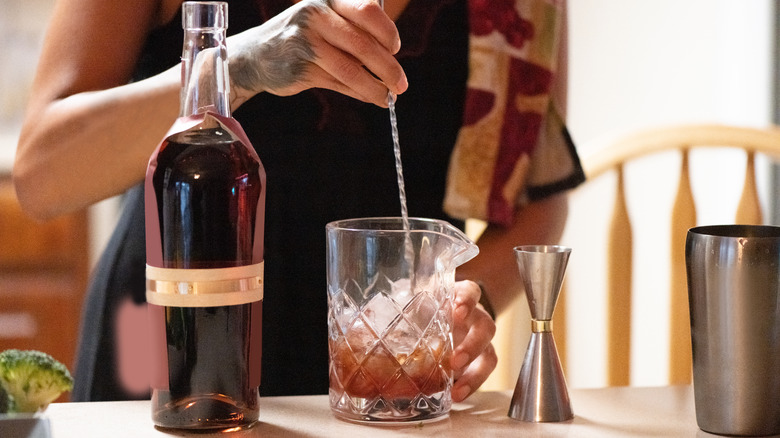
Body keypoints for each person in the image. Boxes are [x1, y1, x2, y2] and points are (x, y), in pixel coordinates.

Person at [14, 0, 583, 402]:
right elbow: (43, 173)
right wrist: (233, 68)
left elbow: (539, 198)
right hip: (170, 354)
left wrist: (461, 303)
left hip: (383, 380)